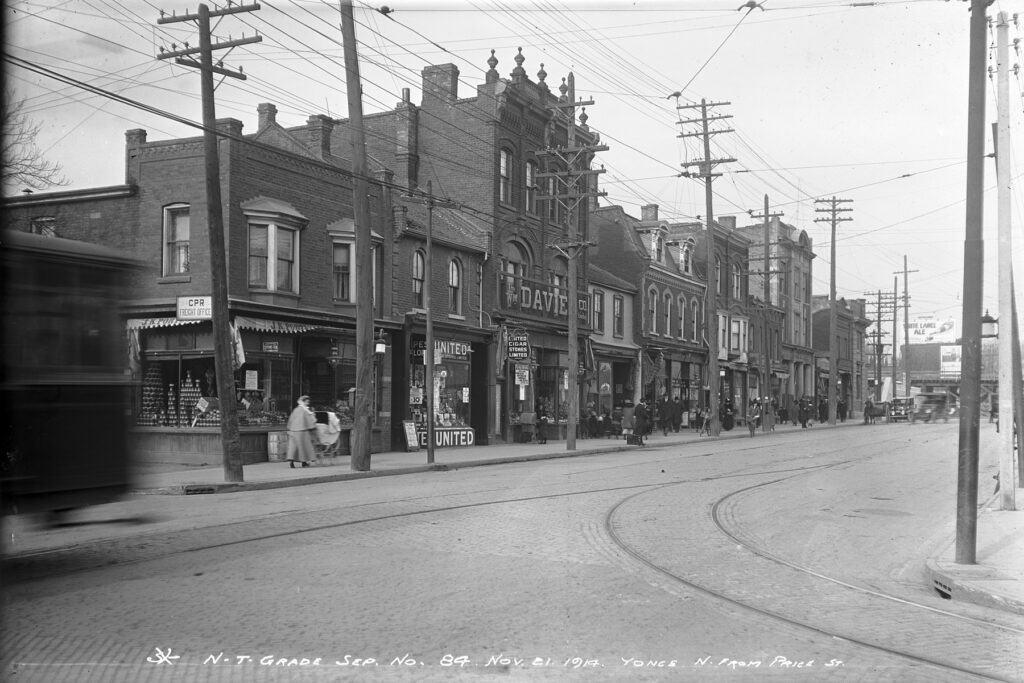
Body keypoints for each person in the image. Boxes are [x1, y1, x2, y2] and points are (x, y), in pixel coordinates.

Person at [286, 395, 317, 468]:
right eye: (306, 401)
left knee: (293, 447)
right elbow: (309, 421)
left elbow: (291, 419)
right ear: (303, 402)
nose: (308, 403)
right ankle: (304, 462)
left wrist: (289, 428)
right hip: (302, 431)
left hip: (293, 431)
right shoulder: (305, 410)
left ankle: (291, 461)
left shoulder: (296, 409)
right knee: (303, 447)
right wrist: (313, 427)